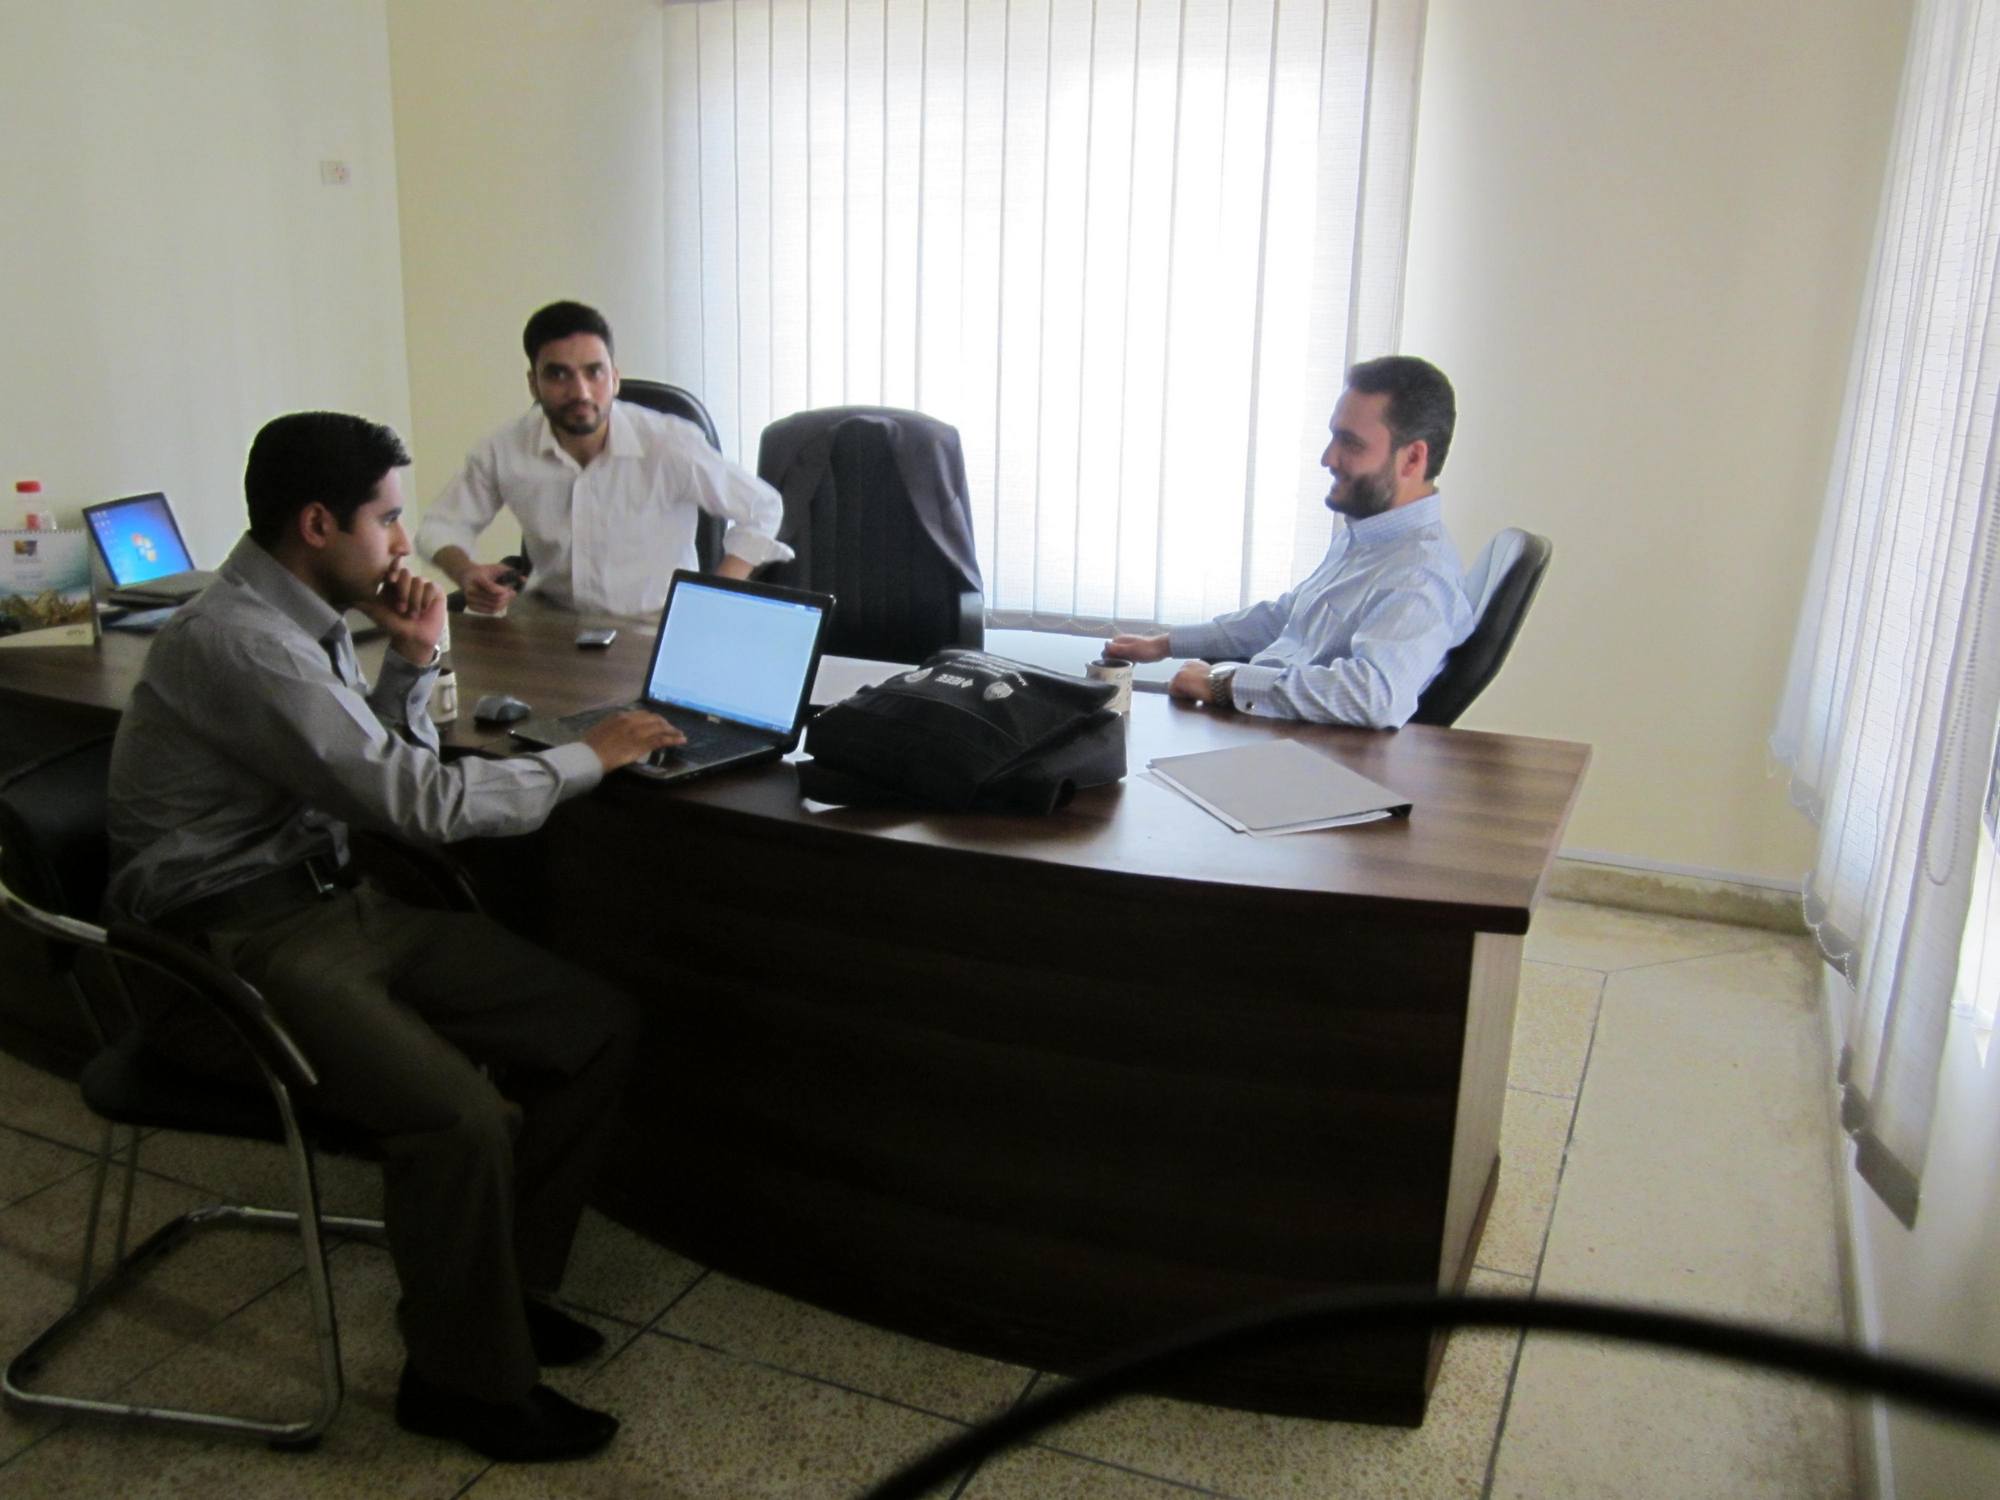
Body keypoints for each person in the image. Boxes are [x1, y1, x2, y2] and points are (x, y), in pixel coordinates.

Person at [104, 412, 686, 1463]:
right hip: (223, 948)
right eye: (383, 520)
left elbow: (373, 779)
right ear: (317, 522)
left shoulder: (299, 613)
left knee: (591, 1025)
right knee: (459, 1119)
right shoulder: (240, 641)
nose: (400, 545)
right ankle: (461, 1382)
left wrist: (413, 660)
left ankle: (500, 1297)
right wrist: (589, 757)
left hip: (326, 906)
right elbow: (410, 800)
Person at [1105, 356, 1474, 728]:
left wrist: (1223, 684)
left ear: (1412, 458)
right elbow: (1287, 616)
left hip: (1294, 746)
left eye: (1351, 443)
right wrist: (1166, 644)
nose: (1328, 458)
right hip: (1265, 723)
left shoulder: (1420, 574)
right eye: (1334, 436)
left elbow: (1376, 695)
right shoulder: (1368, 539)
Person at [416, 300, 793, 617]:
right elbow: (439, 527)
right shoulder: (506, 448)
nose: (580, 391)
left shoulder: (668, 443)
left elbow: (763, 507)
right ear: (534, 383)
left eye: (593, 372)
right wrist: (465, 572)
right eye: (559, 374)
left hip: (653, 629)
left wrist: (711, 597)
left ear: (614, 378)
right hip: (553, 628)